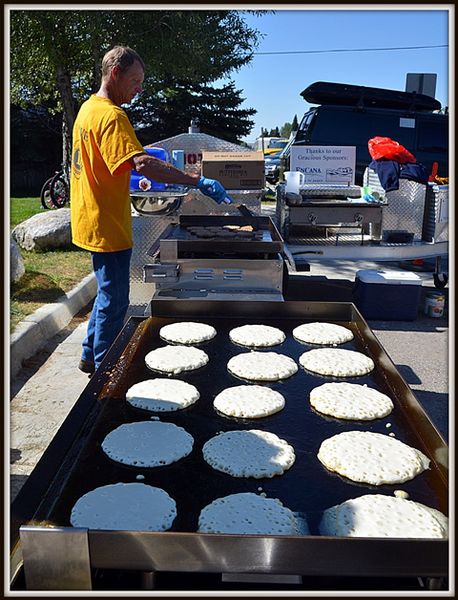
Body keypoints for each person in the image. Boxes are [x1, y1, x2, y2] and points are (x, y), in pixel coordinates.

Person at [70, 45, 231, 375]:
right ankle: (105, 372)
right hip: (107, 224)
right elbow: (141, 163)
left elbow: (119, 162)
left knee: (105, 292)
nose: (139, 88)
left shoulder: (88, 108)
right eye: (135, 80)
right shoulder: (112, 115)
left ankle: (89, 354)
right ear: (115, 74)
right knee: (115, 302)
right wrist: (195, 180)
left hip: (90, 218)